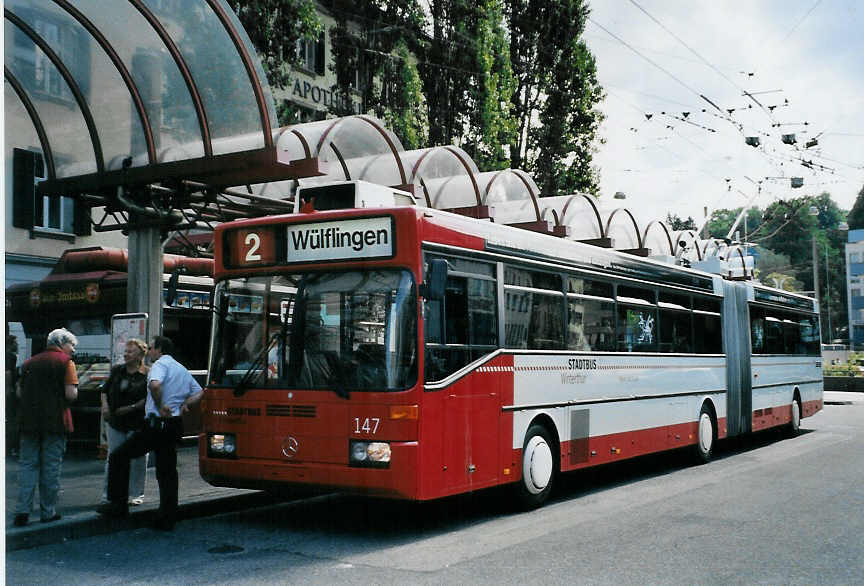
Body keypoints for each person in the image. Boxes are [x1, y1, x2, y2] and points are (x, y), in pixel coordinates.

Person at [99, 335, 202, 530]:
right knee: (167, 470)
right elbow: (199, 391)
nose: (150, 352)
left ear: (159, 349)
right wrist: (186, 404)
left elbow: (155, 385)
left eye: (152, 348)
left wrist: (161, 404)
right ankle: (168, 515)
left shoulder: (160, 365)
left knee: (119, 456)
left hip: (156, 424)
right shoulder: (181, 368)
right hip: (174, 425)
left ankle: (117, 504)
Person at [13, 328, 78, 527]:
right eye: (71, 345)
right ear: (61, 343)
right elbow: (70, 395)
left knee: (27, 466)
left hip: (29, 422)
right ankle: (47, 511)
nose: (73, 350)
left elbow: (18, 392)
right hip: (55, 422)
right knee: (50, 467)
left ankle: (22, 511)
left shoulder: (28, 363)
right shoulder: (66, 363)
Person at [101, 339, 149, 506]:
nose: (126, 354)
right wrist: (105, 407)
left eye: (131, 351)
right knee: (113, 457)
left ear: (140, 355)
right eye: (126, 351)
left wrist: (131, 407)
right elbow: (104, 391)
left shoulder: (147, 374)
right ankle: (109, 493)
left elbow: (145, 401)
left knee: (138, 460)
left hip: (137, 423)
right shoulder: (117, 371)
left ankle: (136, 494)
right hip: (116, 422)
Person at [6, 333, 20, 457]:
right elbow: (8, 373)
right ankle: (10, 447)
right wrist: (10, 388)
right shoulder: (11, 357)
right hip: (9, 391)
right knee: (11, 419)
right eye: (16, 343)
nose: (18, 345)